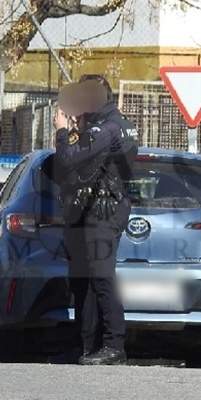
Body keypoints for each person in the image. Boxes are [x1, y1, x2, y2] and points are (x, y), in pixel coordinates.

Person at [50, 74, 139, 365]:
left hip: (103, 210)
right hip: (94, 208)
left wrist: (62, 131)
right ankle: (86, 344)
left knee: (101, 278)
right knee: (85, 282)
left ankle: (114, 345)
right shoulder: (111, 124)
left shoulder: (107, 128)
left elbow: (67, 157)